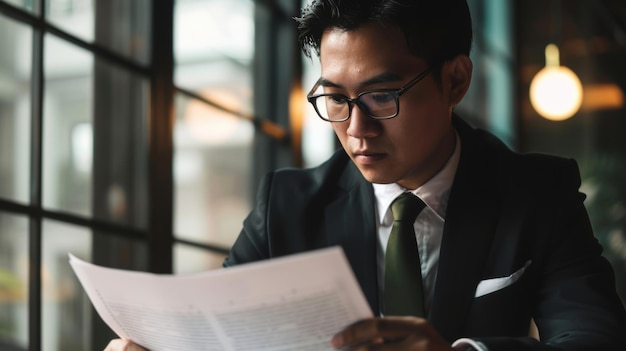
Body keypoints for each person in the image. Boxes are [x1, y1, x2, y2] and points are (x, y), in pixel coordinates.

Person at [105, 0, 626, 350]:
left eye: (383, 96)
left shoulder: (537, 194)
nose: (356, 129)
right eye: (334, 98)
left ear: (456, 80)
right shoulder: (286, 206)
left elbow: (594, 338)